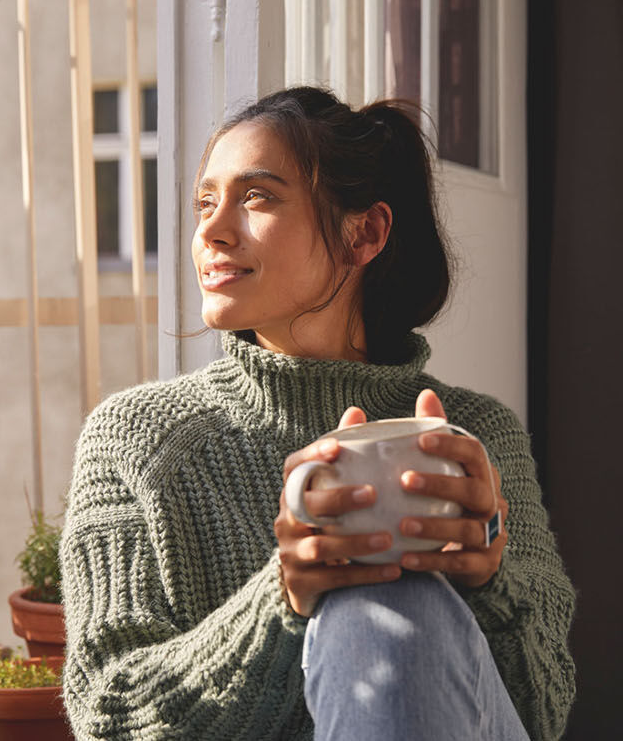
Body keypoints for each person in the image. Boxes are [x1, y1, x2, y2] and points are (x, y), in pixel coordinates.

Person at [59, 86, 575, 740]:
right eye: (205, 204)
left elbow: (543, 710)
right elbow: (106, 711)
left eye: (257, 198)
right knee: (374, 594)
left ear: (364, 233)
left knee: (390, 593)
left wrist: (489, 582)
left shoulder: (478, 436)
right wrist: (284, 599)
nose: (212, 232)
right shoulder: (138, 438)